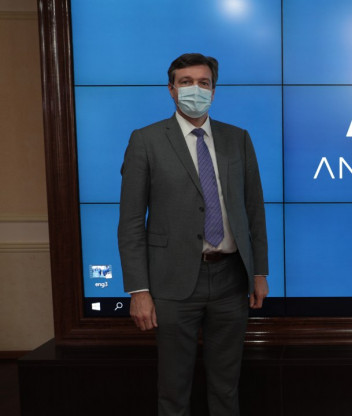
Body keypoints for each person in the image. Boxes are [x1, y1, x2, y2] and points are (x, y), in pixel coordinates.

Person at [118, 53, 269, 416]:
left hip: (231, 279)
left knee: (226, 386)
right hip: (172, 283)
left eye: (204, 83)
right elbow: (131, 221)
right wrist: (138, 290)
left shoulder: (238, 139)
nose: (195, 90)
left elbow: (254, 210)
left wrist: (259, 272)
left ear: (213, 91)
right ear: (171, 90)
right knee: (173, 389)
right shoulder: (146, 140)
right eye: (186, 82)